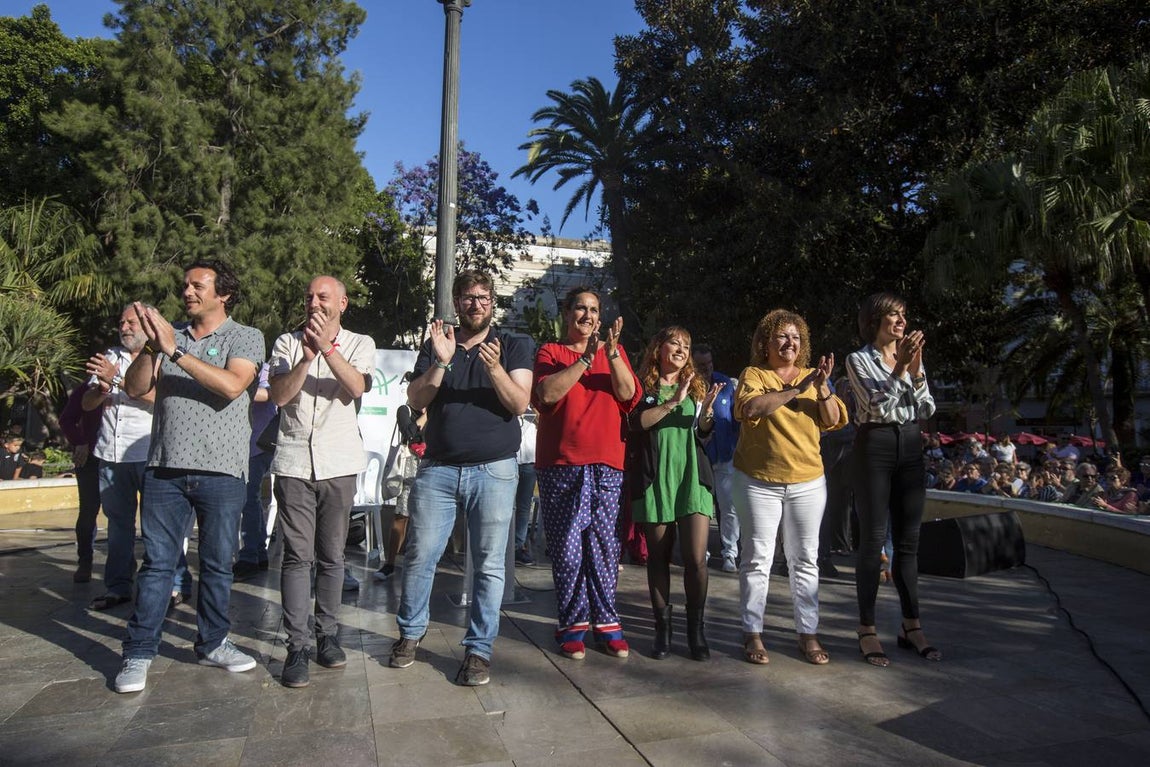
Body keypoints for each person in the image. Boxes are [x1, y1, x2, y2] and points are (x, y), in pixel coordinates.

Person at [115, 259, 265, 694]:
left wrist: (176, 352)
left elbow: (233, 386)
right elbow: (137, 389)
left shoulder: (245, 336)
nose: (188, 292)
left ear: (224, 294)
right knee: (158, 566)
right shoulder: (168, 336)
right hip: (165, 468)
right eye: (184, 286)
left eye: (198, 286)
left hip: (223, 471)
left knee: (218, 564)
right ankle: (139, 651)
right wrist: (151, 348)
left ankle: (214, 642)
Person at [388, 270, 533, 687]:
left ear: (493, 302)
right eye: (467, 298)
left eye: (483, 297)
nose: (475, 304)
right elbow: (416, 398)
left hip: (495, 470)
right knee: (420, 556)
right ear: (456, 301)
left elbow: (518, 402)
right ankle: (410, 634)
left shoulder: (515, 344)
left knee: (488, 566)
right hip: (438, 469)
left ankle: (479, 651)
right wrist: (440, 361)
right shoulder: (437, 341)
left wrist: (494, 369)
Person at [268, 275, 376, 688]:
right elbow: (279, 396)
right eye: (309, 295)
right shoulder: (286, 342)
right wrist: (306, 358)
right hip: (294, 460)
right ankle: (297, 647)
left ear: (342, 303)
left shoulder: (359, 343)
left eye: (323, 296)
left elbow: (354, 388)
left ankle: (326, 635)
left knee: (332, 556)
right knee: (297, 557)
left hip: (339, 463)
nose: (314, 302)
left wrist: (327, 349)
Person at [731, 310, 848, 666]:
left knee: (805, 560)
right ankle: (753, 632)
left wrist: (823, 388)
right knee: (757, 559)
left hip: (808, 483)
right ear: (765, 343)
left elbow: (832, 420)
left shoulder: (816, 379)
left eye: (796, 337)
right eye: (781, 336)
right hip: (758, 481)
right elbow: (751, 407)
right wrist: (796, 388)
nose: (789, 343)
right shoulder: (755, 375)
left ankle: (807, 633)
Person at [532, 288, 642, 660]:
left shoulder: (616, 353)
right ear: (567, 313)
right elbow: (546, 394)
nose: (588, 315)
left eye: (594, 310)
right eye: (581, 308)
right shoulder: (551, 352)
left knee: (605, 546)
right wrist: (584, 360)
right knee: (566, 547)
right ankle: (573, 624)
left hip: (608, 462)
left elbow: (629, 395)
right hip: (561, 463)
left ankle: (607, 623)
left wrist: (609, 354)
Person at [847, 292, 941, 667]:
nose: (901, 321)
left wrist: (915, 370)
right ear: (874, 321)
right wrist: (901, 369)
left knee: (909, 542)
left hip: (911, 445)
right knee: (872, 541)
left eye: (904, 315)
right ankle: (867, 629)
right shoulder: (859, 360)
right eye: (893, 315)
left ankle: (911, 625)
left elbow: (927, 407)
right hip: (876, 445)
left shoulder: (910, 356)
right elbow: (876, 406)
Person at [628, 326, 719, 661]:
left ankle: (696, 632)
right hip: (656, 479)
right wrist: (673, 403)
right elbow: (638, 423)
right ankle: (662, 631)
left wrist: (706, 416)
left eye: (687, 344)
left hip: (692, 478)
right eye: (675, 343)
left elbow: (704, 433)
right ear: (658, 348)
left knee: (696, 559)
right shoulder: (644, 387)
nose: (682, 349)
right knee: (659, 557)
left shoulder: (698, 387)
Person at [82, 305, 156, 612]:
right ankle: (118, 587)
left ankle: (170, 585)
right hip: (111, 455)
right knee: (118, 526)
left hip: (148, 454)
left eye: (131, 322)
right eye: (121, 321)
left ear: (146, 325)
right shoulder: (110, 357)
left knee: (158, 528)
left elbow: (160, 399)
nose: (124, 327)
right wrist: (101, 389)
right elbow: (87, 404)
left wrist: (119, 381)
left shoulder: (160, 357)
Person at [691, 343, 740, 573]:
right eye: (701, 365)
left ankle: (730, 552)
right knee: (703, 507)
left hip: (726, 455)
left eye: (709, 363)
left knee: (728, 506)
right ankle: (703, 551)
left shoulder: (725, 383)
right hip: (699, 456)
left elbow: (735, 417)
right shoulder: (689, 384)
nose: (706, 369)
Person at [232, 363, 277, 580]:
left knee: (250, 499)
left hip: (259, 444)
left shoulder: (263, 367)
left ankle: (250, 555)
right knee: (251, 499)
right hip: (239, 443)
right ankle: (258, 552)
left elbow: (271, 394)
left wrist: (232, 386)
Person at [373, 403, 425, 582]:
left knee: (427, 519)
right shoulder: (406, 410)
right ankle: (390, 563)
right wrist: (427, 415)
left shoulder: (440, 408)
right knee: (402, 515)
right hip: (410, 467)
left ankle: (422, 563)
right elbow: (410, 433)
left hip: (432, 467)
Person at [59, 383, 103, 582]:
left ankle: (125, 564)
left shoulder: (135, 385)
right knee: (88, 510)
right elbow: (67, 419)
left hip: (124, 458)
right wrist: (79, 442)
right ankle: (85, 561)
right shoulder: (87, 388)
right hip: (91, 457)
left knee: (125, 512)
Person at [513, 409, 538, 566]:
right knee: (504, 506)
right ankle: (502, 545)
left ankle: (518, 545)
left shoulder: (534, 404)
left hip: (529, 459)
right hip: (508, 456)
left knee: (524, 506)